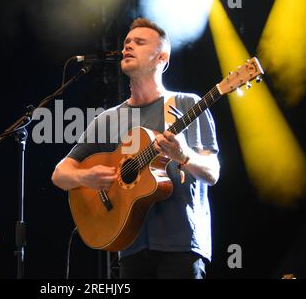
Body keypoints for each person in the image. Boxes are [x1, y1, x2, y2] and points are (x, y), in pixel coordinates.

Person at [51, 18, 220, 279]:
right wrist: (87, 177)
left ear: (161, 57)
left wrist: (184, 155)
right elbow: (60, 174)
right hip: (130, 248)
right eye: (127, 42)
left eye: (139, 42)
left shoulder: (188, 104)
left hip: (182, 245)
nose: (127, 46)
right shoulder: (108, 119)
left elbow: (212, 173)